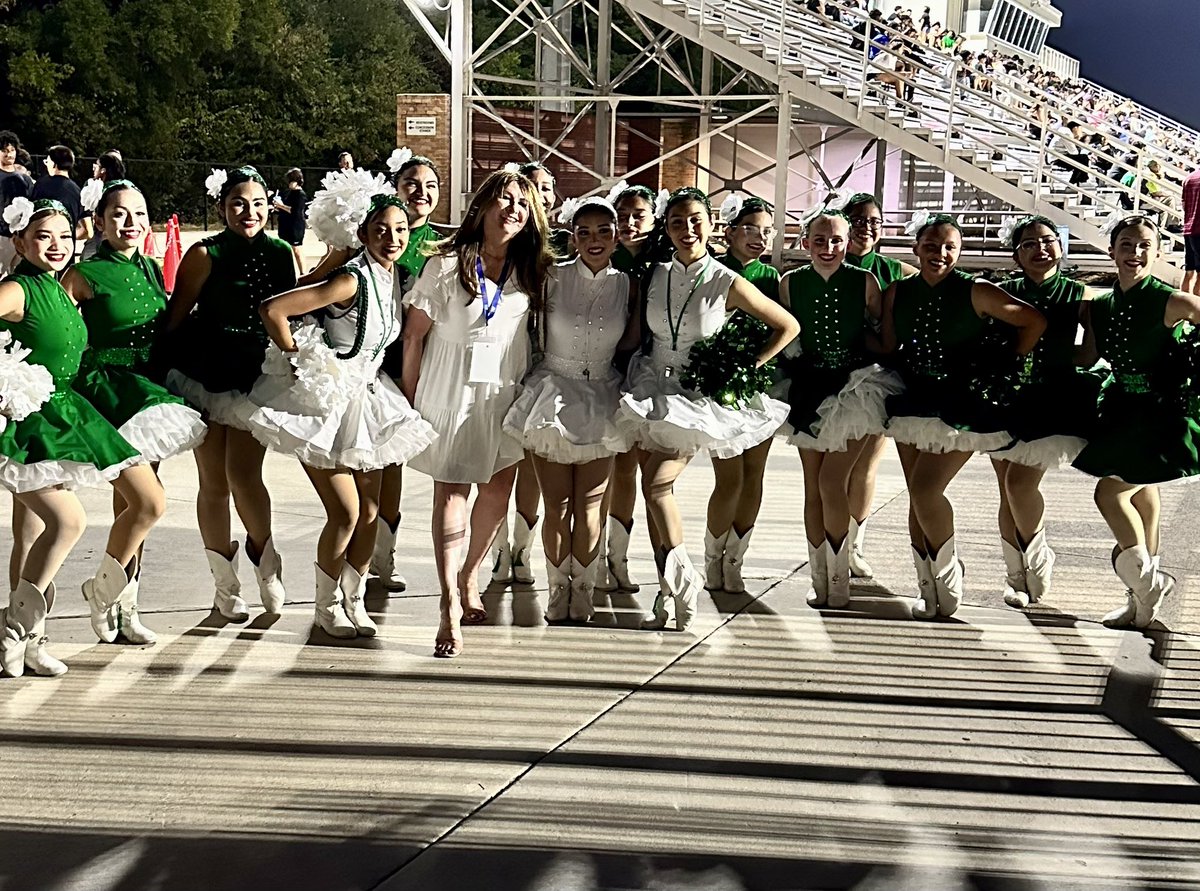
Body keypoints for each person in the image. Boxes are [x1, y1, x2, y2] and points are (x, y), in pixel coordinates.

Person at [251, 191, 436, 639]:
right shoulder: (351, 279)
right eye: (381, 230)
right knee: (346, 513)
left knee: (370, 512)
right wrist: (301, 358)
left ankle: (354, 599)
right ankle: (326, 604)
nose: (392, 238)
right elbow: (273, 309)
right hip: (328, 405)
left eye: (400, 230)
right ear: (364, 233)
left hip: (370, 400)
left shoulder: (393, 276)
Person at [615, 187, 798, 632]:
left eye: (696, 219)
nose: (687, 229)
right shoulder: (653, 273)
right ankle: (669, 592)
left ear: (712, 224)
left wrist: (741, 369)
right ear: (667, 228)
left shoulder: (725, 280)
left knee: (658, 486)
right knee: (649, 490)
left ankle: (683, 581)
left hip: (694, 398)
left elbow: (787, 326)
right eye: (677, 221)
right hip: (648, 386)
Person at [0, 199, 166, 677]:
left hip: (67, 411)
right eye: (43, 236)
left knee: (39, 530)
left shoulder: (59, 288)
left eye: (65, 237)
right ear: (20, 243)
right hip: (26, 421)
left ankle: (28, 640)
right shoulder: (17, 290)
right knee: (65, 522)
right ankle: (16, 629)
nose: (56, 246)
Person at [400, 169, 554, 658]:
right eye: (504, 200)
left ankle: (469, 577)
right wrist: (410, 398)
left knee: (496, 492)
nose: (512, 210)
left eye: (522, 204)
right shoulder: (445, 266)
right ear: (483, 206)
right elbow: (414, 337)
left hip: (502, 395)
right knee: (451, 492)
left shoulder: (531, 269)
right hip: (449, 393)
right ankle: (447, 602)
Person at [57, 181, 207, 642]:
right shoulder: (84, 273)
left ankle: (125, 609)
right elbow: (59, 331)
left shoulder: (146, 265)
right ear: (99, 222)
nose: (131, 223)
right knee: (146, 503)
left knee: (132, 508)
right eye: (119, 214)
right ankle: (101, 592)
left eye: (140, 214)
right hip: (108, 392)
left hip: (148, 392)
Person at [881, 214, 1046, 620]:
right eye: (932, 246)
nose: (940, 253)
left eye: (949, 246)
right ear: (916, 248)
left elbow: (1032, 320)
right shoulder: (897, 292)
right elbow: (886, 342)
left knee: (925, 490)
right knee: (915, 497)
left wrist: (1006, 363)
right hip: (910, 401)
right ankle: (927, 586)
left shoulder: (976, 290)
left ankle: (949, 576)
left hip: (961, 407)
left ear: (960, 251)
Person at [164, 166, 297, 623]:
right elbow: (177, 315)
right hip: (206, 368)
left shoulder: (282, 252)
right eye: (239, 203)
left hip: (256, 374)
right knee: (213, 484)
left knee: (244, 476)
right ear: (222, 207)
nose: (250, 211)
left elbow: (290, 313)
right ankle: (225, 586)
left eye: (259, 203)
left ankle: (267, 563)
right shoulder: (205, 252)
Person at [503, 196, 637, 621]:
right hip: (552, 395)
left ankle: (585, 590)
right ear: (572, 237)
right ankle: (557, 589)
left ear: (617, 235)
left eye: (603, 231)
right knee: (557, 505)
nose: (594, 240)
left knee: (591, 507)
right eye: (584, 232)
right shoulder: (550, 277)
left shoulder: (628, 283)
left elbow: (632, 343)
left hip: (602, 394)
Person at [1072, 216, 1200, 629]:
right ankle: (1143, 604)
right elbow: (1087, 359)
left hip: (1161, 413)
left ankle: (1147, 585)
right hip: (1121, 407)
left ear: (1158, 252)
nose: (1135, 253)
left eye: (1145, 245)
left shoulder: (1172, 301)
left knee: (1108, 495)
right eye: (1126, 245)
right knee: (1144, 496)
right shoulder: (1100, 304)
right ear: (1111, 251)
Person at [780, 210, 898, 608]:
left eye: (836, 240)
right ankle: (820, 579)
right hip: (808, 389)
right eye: (819, 239)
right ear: (804, 242)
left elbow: (882, 332)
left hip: (856, 389)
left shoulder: (864, 280)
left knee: (833, 481)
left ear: (847, 243)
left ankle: (840, 576)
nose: (828, 248)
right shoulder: (790, 283)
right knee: (813, 487)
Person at [990, 216, 1101, 609]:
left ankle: (1038, 560)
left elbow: (1088, 353)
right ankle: (1014, 577)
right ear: (1016, 254)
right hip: (1004, 398)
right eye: (1030, 244)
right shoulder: (1003, 292)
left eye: (1049, 240)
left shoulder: (1078, 293)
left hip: (1053, 399)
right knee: (1006, 492)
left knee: (1020, 486)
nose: (1041, 249)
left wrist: (1063, 355)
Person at [370, 151, 443, 592]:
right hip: (370, 358)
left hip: (416, 361)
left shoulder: (444, 245)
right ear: (396, 188)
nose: (422, 192)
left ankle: (384, 556)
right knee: (367, 459)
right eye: (412, 183)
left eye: (431, 185)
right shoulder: (375, 233)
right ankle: (359, 550)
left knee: (394, 458)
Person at [704, 195, 781, 594]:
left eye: (767, 231)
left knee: (755, 477)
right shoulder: (713, 271)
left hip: (760, 388)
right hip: (718, 389)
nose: (760, 238)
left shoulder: (773, 279)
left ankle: (736, 559)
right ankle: (712, 559)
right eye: (751, 229)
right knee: (729, 479)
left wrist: (758, 365)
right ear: (730, 231)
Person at [840, 193, 917, 579]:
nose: (866, 228)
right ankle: (830, 545)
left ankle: (854, 544)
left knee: (865, 466)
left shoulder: (896, 271)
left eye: (874, 221)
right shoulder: (827, 261)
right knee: (830, 469)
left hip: (877, 376)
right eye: (857, 219)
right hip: (830, 378)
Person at [490, 159, 559, 587]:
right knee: (499, 466)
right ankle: (497, 550)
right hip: (502, 368)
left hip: (546, 370)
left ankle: (523, 549)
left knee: (533, 468)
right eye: (530, 190)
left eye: (545, 190)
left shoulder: (561, 250)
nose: (539, 198)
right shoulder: (502, 250)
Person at [596, 184, 664, 594]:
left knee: (651, 473)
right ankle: (611, 559)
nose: (630, 222)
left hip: (654, 371)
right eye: (623, 214)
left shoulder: (663, 261)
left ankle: (655, 562)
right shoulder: (608, 257)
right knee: (616, 469)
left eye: (639, 213)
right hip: (608, 367)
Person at [30, 146, 86, 242]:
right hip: (66, 251)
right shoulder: (78, 191)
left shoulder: (41, 185)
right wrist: (66, 237)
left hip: (42, 246)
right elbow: (87, 230)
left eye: (47, 162)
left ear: (53, 164)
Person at [79, 150, 127, 261]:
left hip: (104, 235)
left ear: (104, 169)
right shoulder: (125, 187)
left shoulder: (100, 188)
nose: (94, 167)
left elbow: (86, 212)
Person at [0, 130, 34, 274]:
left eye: (12, 150)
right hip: (2, 236)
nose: (9, 154)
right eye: (4, 150)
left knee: (19, 277)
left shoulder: (24, 179)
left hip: (21, 236)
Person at [272, 168, 307, 270]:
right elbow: (285, 208)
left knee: (297, 250)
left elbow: (295, 211)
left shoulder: (301, 195)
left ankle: (303, 273)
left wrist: (281, 205)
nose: (289, 183)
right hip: (285, 224)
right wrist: (277, 207)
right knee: (285, 250)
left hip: (295, 226)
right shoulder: (289, 193)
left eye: (292, 181)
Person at [1182, 164, 1199, 296]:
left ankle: (1183, 308)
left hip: (1189, 228)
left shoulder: (1188, 178)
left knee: (1189, 270)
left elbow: (1184, 204)